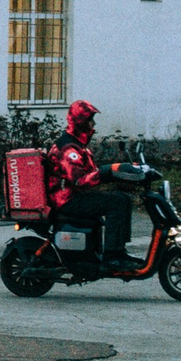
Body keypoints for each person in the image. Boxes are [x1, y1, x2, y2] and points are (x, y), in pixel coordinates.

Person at [47, 100, 137, 271]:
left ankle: (118, 252)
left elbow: (91, 172)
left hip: (74, 196)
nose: (93, 124)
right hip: (67, 200)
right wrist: (108, 172)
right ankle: (112, 256)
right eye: (90, 120)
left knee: (122, 198)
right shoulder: (68, 149)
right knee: (116, 202)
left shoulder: (77, 144)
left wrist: (125, 170)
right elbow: (79, 180)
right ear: (81, 121)